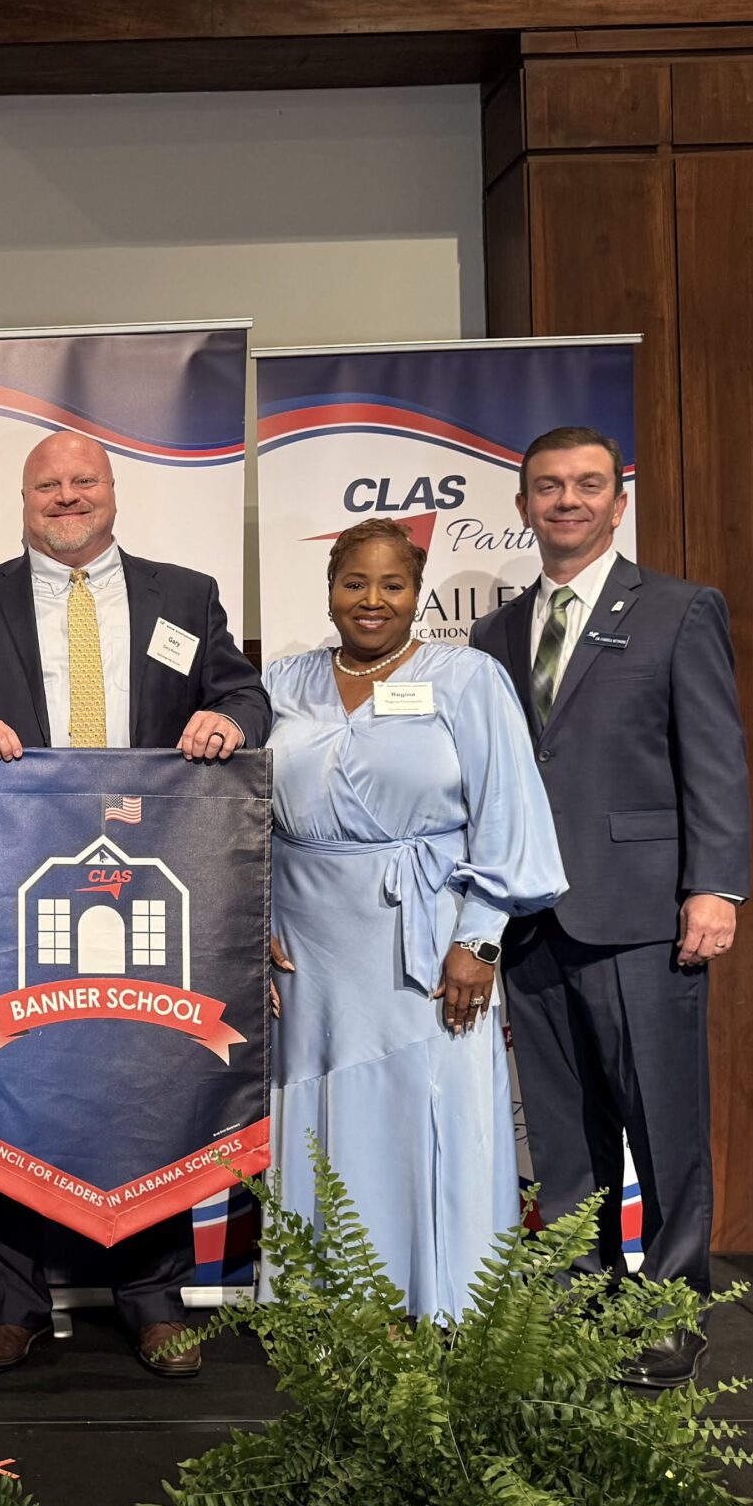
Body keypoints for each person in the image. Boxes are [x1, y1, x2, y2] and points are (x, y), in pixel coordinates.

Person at [0, 428, 268, 1378]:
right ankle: (9, 1306)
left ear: (112, 493)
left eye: (83, 483)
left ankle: (153, 1300)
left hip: (157, 875)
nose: (67, 498)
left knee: (151, 1073)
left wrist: (225, 720)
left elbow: (245, 695)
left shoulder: (184, 595)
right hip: (15, 885)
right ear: (25, 502)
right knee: (8, 1075)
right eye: (48, 487)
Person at [473, 426, 750, 1389]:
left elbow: (712, 757)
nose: (567, 501)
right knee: (559, 1128)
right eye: (547, 487)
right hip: (529, 916)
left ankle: (673, 1306)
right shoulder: (494, 634)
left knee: (661, 1120)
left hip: (642, 912)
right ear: (522, 506)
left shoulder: (678, 610)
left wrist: (713, 885)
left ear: (617, 500)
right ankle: (581, 1298)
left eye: (588, 485)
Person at [264, 518, 566, 1320]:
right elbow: (237, 814)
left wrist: (479, 937)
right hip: (308, 944)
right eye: (353, 583)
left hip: (429, 937)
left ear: (417, 592)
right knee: (321, 1120)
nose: (371, 601)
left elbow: (507, 812)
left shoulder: (467, 678)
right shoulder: (280, 683)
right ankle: (326, 1308)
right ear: (329, 588)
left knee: (431, 1108)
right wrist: (245, 922)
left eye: (392, 584)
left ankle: (443, 1305)